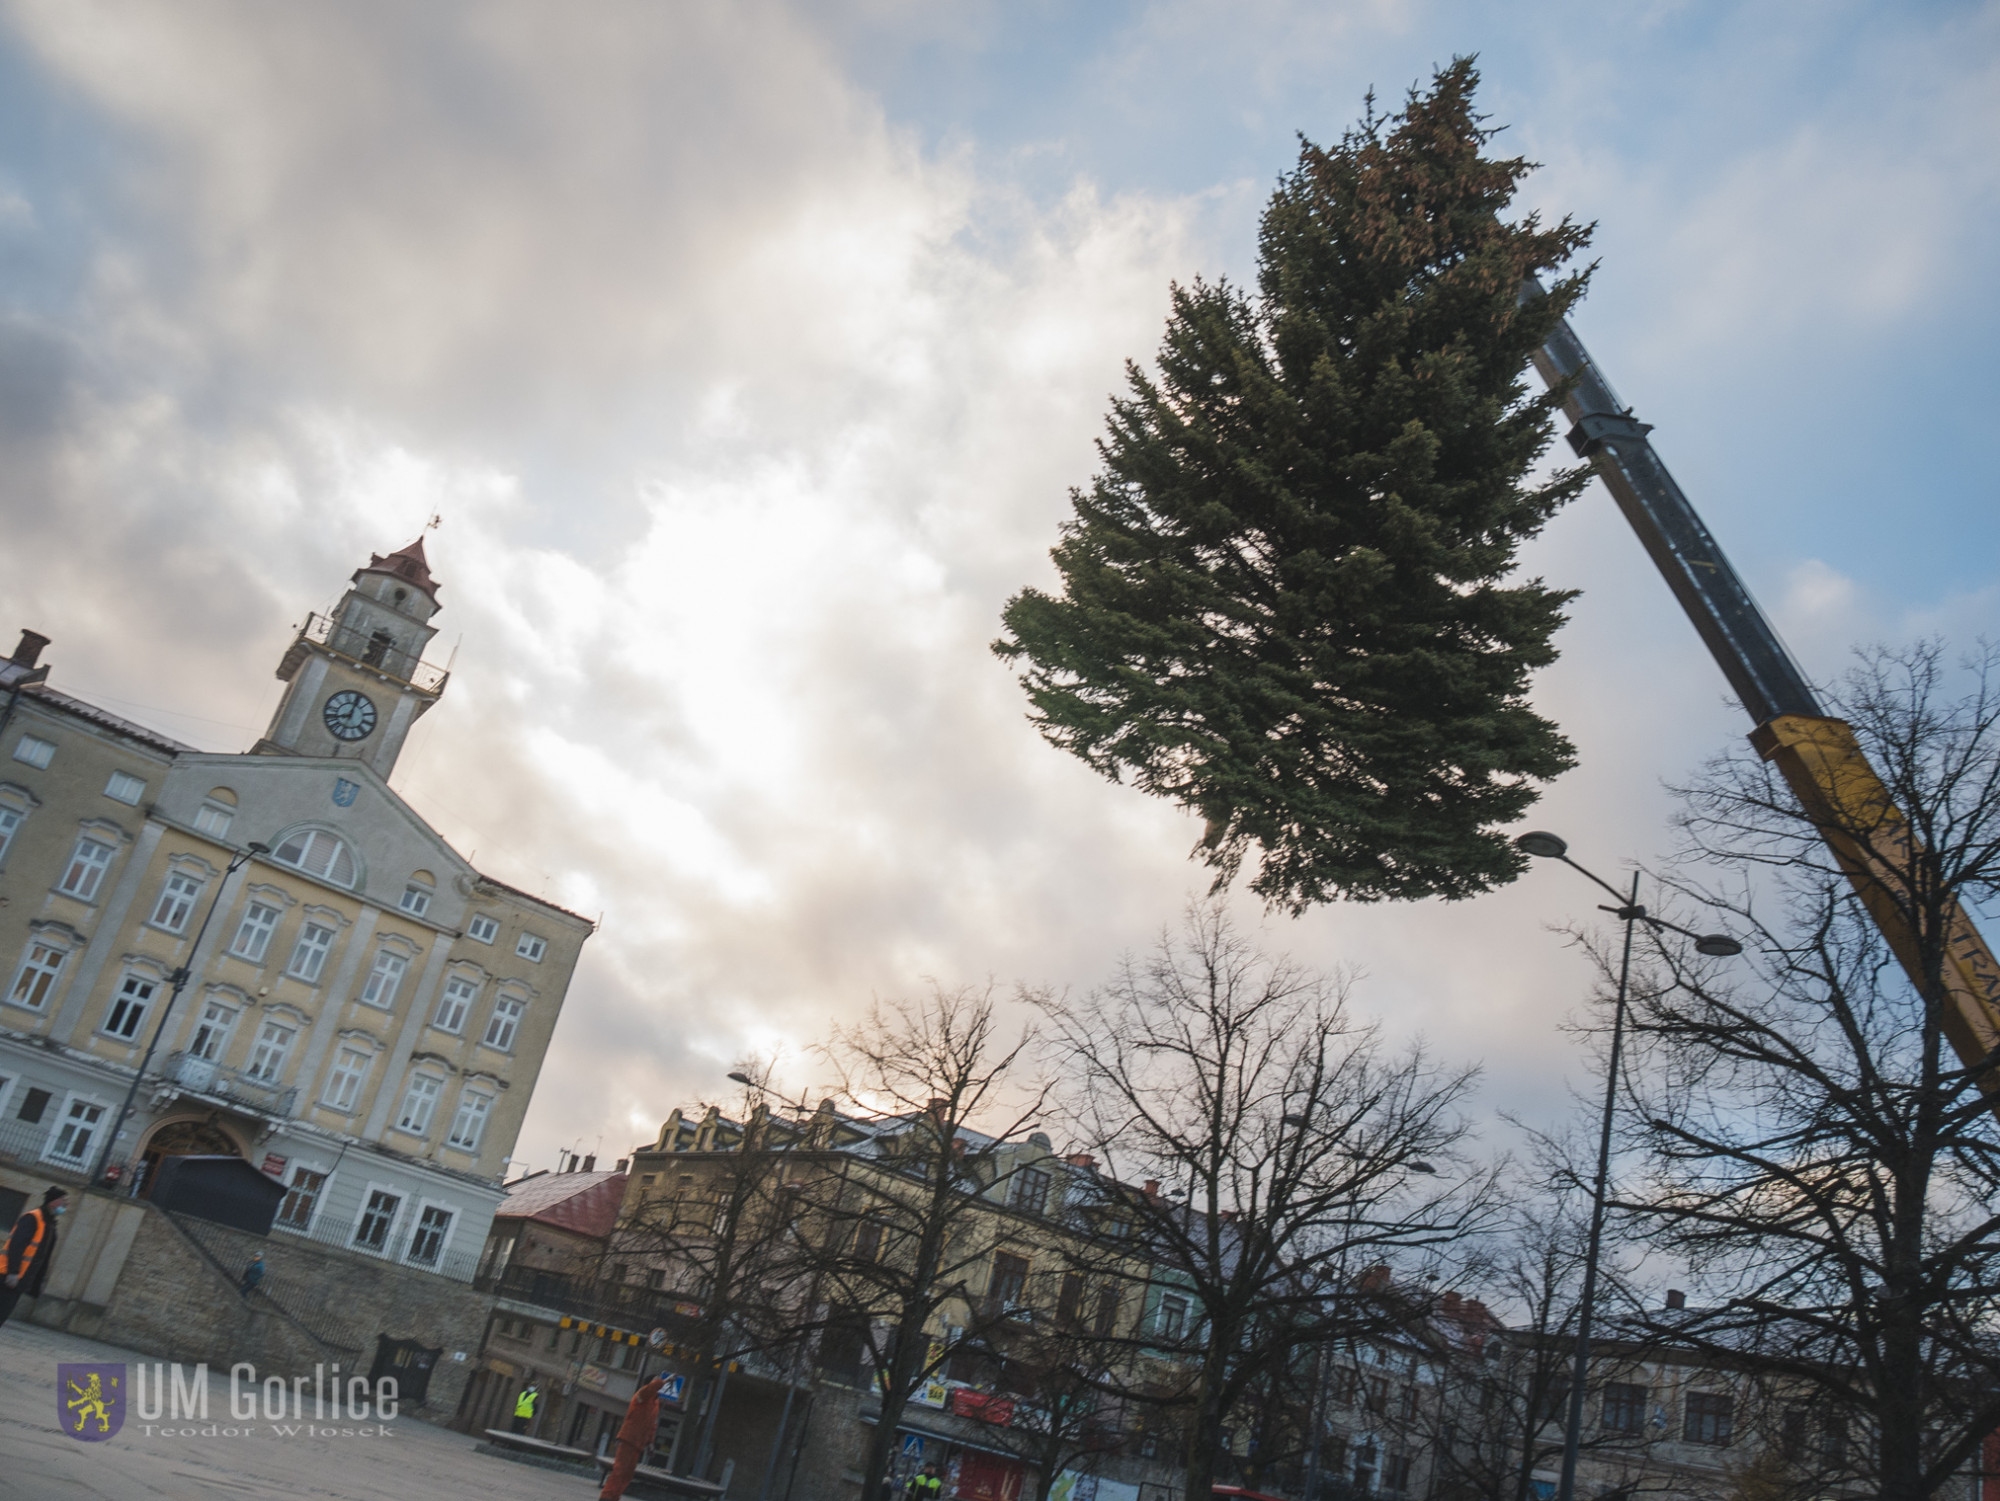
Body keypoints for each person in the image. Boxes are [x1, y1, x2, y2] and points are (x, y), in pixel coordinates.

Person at [0, 1186, 69, 1329]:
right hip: (6, 1276)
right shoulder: (33, 1218)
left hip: (18, 1279)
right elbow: (16, 1246)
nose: (65, 1205)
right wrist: (13, 1272)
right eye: (63, 1201)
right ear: (53, 1202)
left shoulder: (48, 1223)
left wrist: (38, 1281)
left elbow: (42, 1256)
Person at [598, 1374, 665, 1500]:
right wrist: (664, 1380)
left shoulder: (655, 1403)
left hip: (638, 1443)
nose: (660, 1383)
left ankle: (614, 1497)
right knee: (619, 1471)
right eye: (656, 1381)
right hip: (628, 1438)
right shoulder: (642, 1395)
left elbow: (652, 1425)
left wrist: (650, 1443)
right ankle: (606, 1497)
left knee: (627, 1474)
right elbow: (650, 1389)